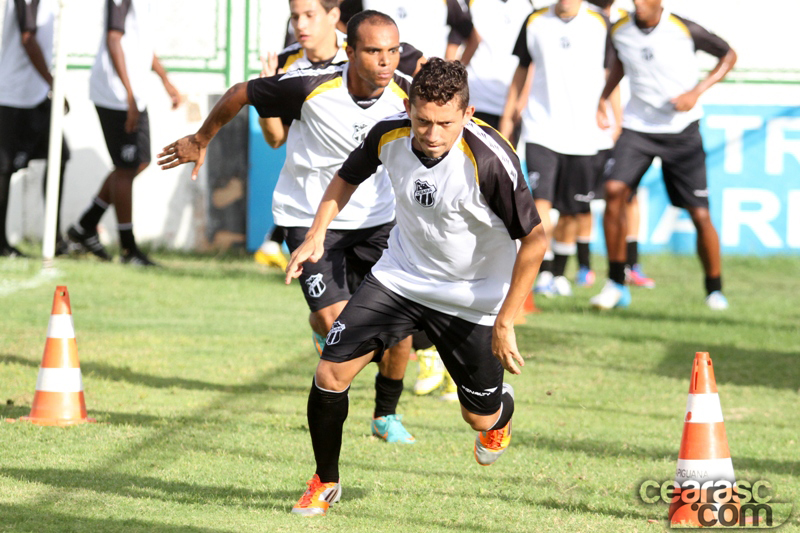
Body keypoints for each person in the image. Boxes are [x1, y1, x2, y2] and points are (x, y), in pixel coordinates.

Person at [283, 58, 546, 516]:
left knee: (478, 418)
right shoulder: (388, 134)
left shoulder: (490, 159)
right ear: (408, 108)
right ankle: (325, 481)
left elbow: (536, 240)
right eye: (423, 120)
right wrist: (316, 233)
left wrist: (506, 319)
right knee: (329, 375)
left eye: (446, 123)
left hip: (472, 298)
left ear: (467, 113)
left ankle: (499, 412)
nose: (432, 134)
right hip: (399, 278)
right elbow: (346, 177)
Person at [158, 11, 419, 444]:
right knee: (338, 323)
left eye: (392, 51)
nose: (386, 61)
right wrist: (201, 138)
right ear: (350, 51)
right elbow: (242, 93)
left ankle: (384, 416)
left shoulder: (405, 94)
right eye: (374, 51)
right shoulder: (309, 85)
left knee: (399, 330)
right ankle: (330, 336)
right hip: (309, 217)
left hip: (379, 220)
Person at [253, 0, 423, 271]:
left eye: (309, 15)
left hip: (372, 212)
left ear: (333, 15)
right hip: (310, 210)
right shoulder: (287, 64)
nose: (300, 25)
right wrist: (265, 105)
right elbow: (275, 139)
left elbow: (428, 78)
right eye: (295, 17)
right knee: (327, 314)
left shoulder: (373, 47)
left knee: (362, 311)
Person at [590, 0, 736, 310]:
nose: (638, 4)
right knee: (614, 191)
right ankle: (616, 282)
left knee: (699, 213)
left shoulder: (684, 28)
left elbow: (729, 54)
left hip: (682, 131)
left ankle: (714, 288)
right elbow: (619, 63)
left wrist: (696, 92)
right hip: (637, 128)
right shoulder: (619, 29)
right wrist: (603, 98)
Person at [501, 0, 613, 298]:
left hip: (584, 134)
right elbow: (521, 71)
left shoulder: (600, 23)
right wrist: (507, 118)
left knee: (572, 212)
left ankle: (558, 273)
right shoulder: (535, 21)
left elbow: (611, 73)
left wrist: (613, 114)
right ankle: (542, 269)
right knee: (542, 205)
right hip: (541, 130)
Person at [67, 0, 181, 266]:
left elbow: (140, 46)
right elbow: (113, 39)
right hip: (115, 95)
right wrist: (128, 97)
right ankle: (128, 250)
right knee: (127, 166)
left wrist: (165, 80)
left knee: (137, 162)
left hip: (132, 94)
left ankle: (84, 227)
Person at [0, 0, 70, 257]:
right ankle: (1, 243)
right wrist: (55, 83)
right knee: (4, 168)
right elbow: (28, 38)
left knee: (60, 156)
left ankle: (55, 238)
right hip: (14, 95)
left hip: (37, 94)